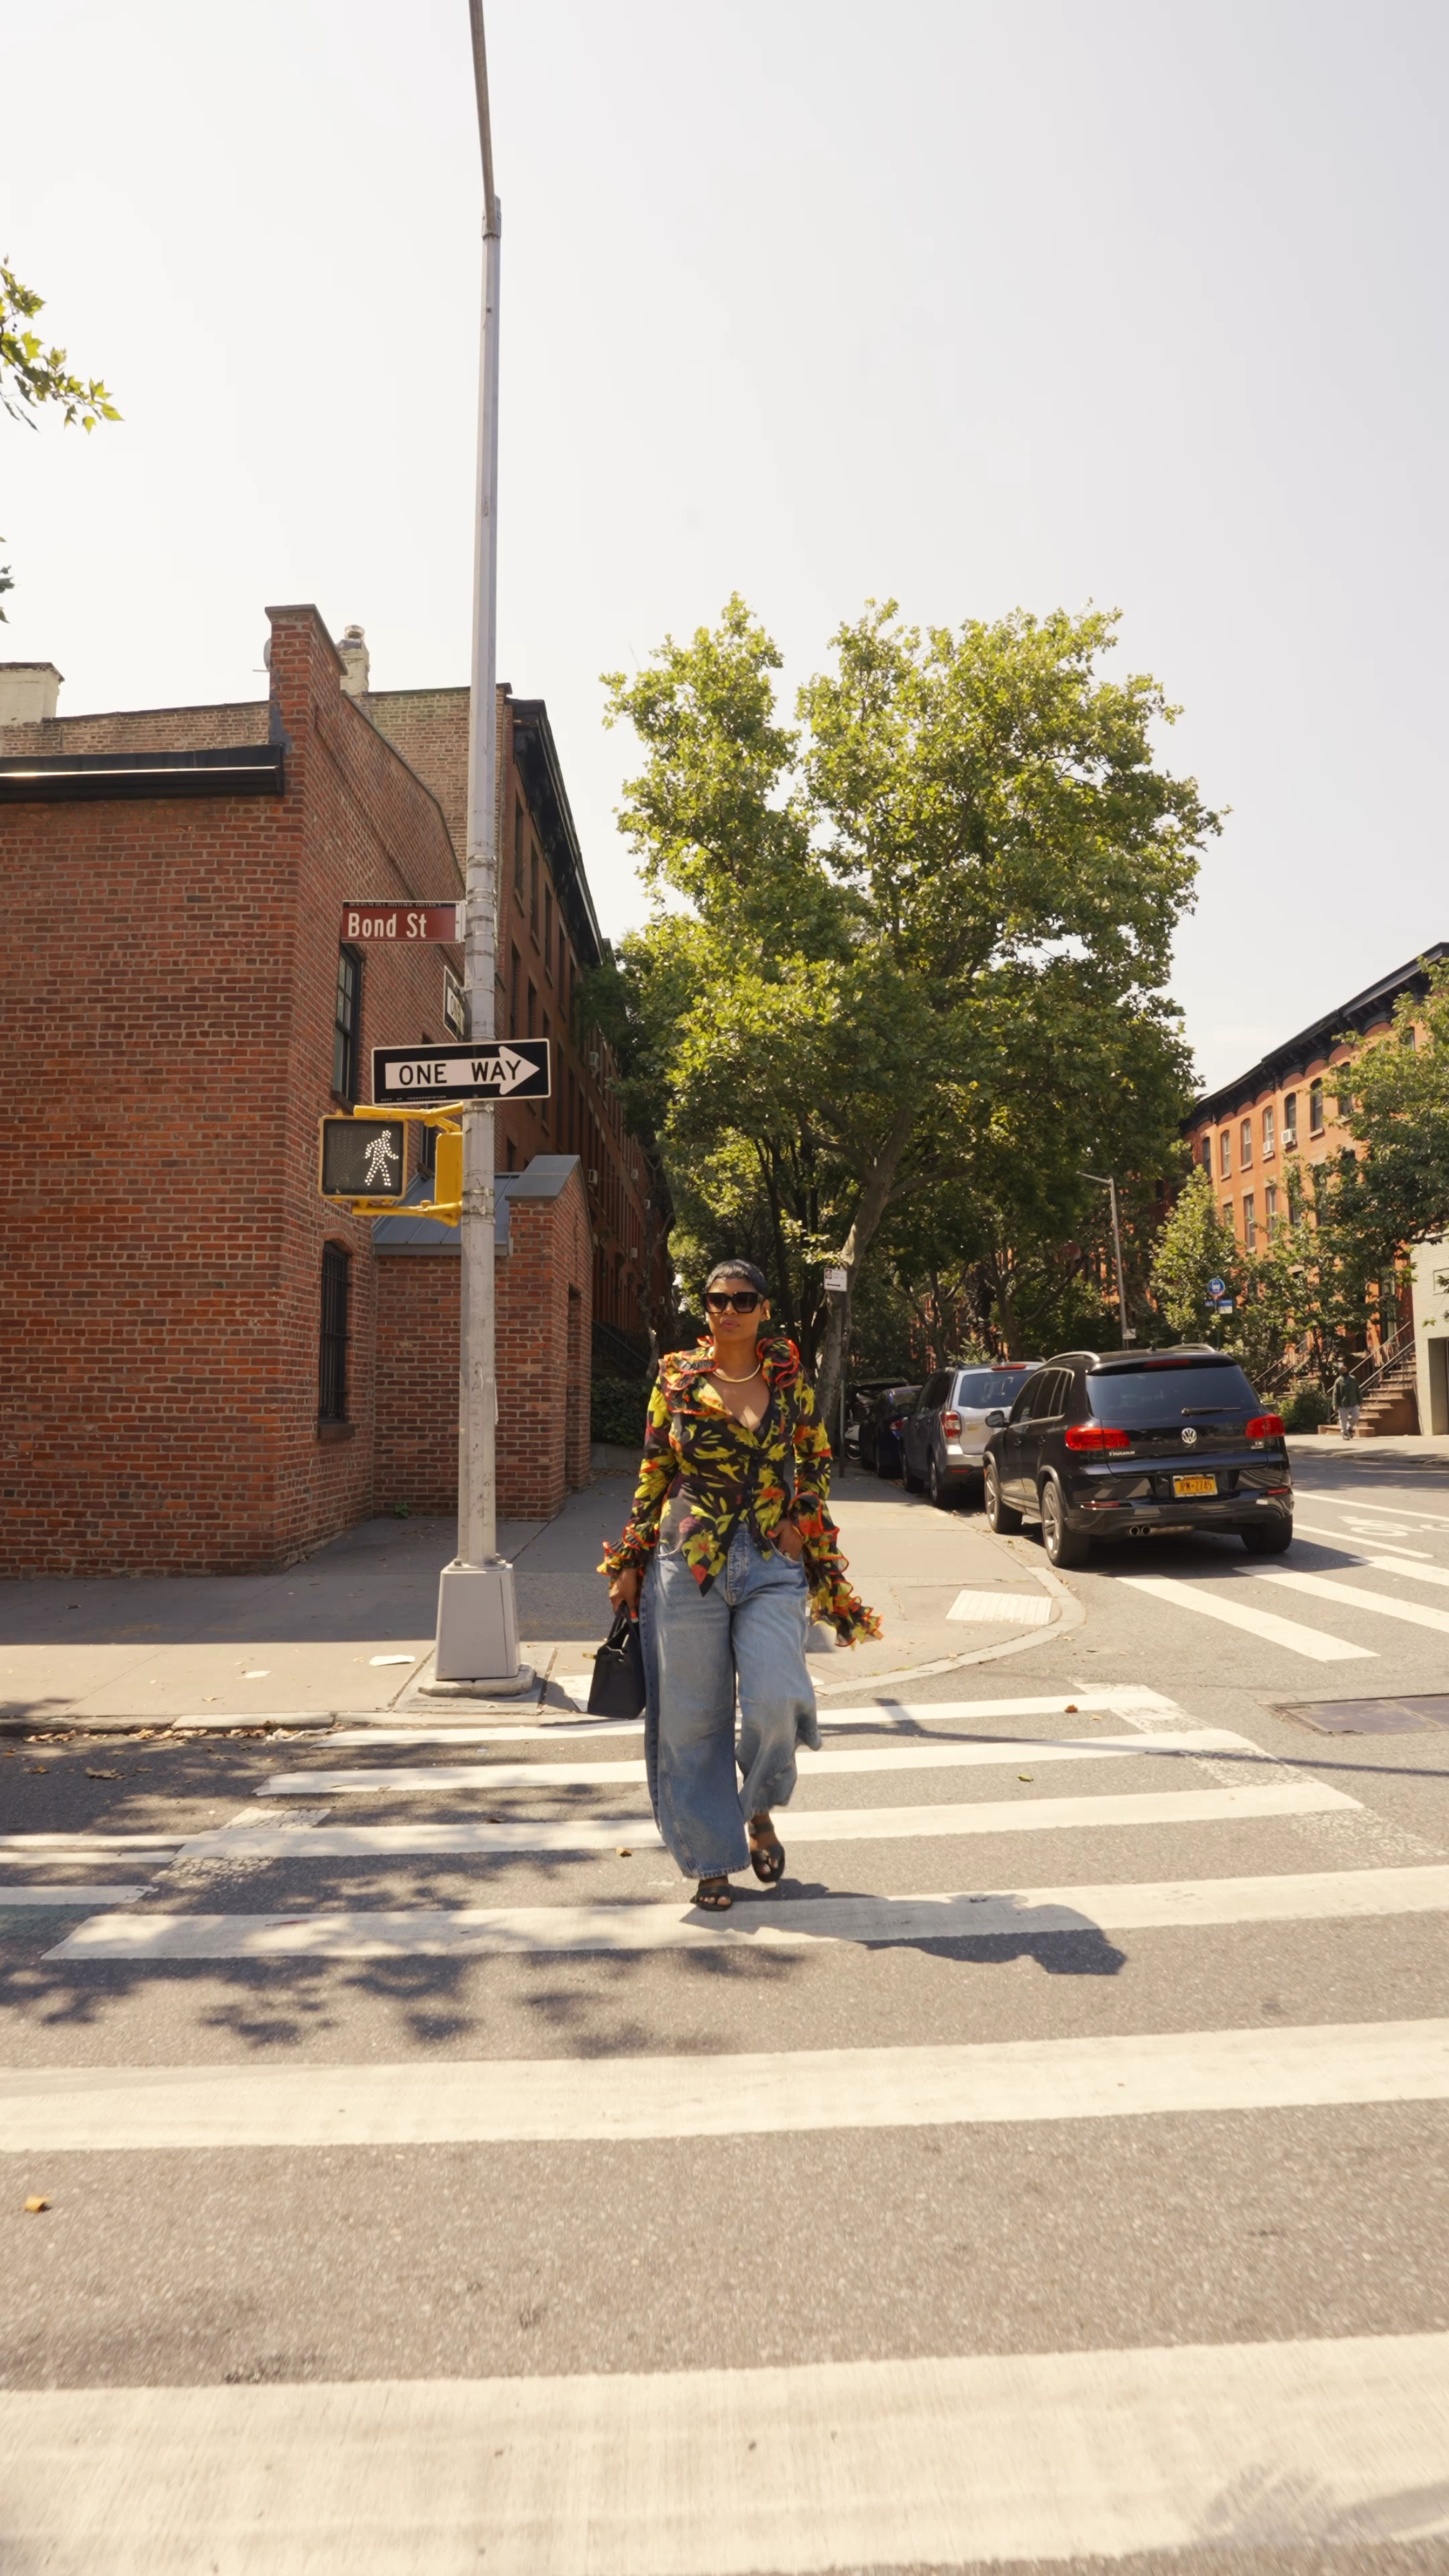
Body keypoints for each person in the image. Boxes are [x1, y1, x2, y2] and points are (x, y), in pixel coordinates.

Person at [600, 1260, 880, 1913]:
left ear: (763, 1309)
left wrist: (797, 1518)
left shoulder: (787, 1381)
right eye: (717, 1299)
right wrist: (631, 1558)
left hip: (769, 1560)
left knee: (775, 1700)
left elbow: (815, 1456)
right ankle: (712, 1861)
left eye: (742, 1299)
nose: (727, 1309)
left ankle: (757, 1810)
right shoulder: (675, 1379)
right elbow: (653, 1469)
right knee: (692, 1722)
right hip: (689, 1560)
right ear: (706, 1308)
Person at [1332, 1362, 1362, 1440]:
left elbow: (1357, 1391)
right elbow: (1335, 1394)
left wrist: (1360, 1402)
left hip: (1353, 1402)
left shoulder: (1353, 1379)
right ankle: (1345, 1433)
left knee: (1356, 1416)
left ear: (1347, 1369)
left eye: (1344, 1368)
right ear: (1340, 1371)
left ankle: (1349, 1428)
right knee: (1343, 1419)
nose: (1343, 1370)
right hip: (1343, 1404)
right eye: (1341, 1369)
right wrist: (1335, 1404)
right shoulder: (1338, 1381)